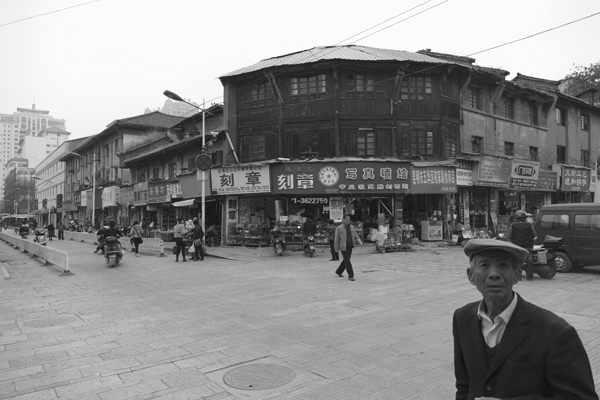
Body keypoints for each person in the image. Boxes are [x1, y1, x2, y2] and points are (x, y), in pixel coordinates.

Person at [453, 239, 598, 400]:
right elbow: (464, 385)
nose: (494, 274)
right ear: (471, 276)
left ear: (516, 275)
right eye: (484, 265)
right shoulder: (462, 318)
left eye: (503, 265)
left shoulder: (555, 332)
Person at [506, 210, 537, 280]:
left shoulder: (512, 225)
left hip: (517, 247)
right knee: (529, 262)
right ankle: (529, 277)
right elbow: (534, 234)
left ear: (515, 217)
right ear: (525, 217)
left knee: (518, 262)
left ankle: (518, 276)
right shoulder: (529, 224)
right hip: (528, 246)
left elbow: (508, 236)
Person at [334, 215, 362, 281]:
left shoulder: (351, 227)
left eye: (349, 219)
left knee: (346, 260)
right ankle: (351, 275)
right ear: (343, 220)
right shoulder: (339, 228)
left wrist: (359, 241)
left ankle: (339, 271)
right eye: (347, 219)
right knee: (347, 261)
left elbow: (356, 235)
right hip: (343, 247)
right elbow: (336, 239)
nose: (348, 220)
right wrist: (336, 249)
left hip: (350, 246)